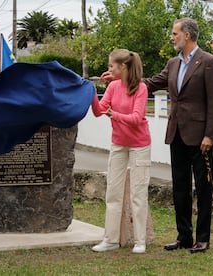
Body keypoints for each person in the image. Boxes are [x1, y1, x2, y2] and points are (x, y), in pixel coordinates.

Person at [103, 18, 213, 253]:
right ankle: (184, 236)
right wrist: (121, 78)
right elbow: (149, 83)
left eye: (175, 33)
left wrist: (210, 135)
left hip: (200, 136)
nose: (172, 36)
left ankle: (203, 239)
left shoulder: (208, 62)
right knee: (180, 187)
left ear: (187, 35)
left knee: (202, 186)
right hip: (176, 133)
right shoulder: (172, 64)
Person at [91, 49, 151, 254]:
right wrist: (92, 92)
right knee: (113, 192)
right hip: (118, 143)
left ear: (122, 66)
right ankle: (110, 240)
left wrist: (114, 115)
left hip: (139, 145)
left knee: (138, 193)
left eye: (111, 66)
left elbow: (137, 118)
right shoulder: (113, 86)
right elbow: (99, 111)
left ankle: (140, 240)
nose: (108, 70)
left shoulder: (140, 88)